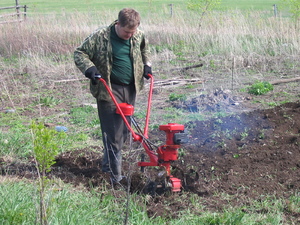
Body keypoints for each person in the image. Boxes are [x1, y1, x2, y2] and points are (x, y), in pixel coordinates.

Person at [74, 8, 152, 185]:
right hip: (108, 88)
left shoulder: (138, 35)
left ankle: (106, 166)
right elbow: (79, 53)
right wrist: (89, 69)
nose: (129, 35)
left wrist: (147, 65)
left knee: (124, 131)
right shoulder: (101, 36)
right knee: (113, 134)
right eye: (126, 32)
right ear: (118, 24)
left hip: (131, 88)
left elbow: (144, 49)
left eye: (132, 32)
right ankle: (115, 178)